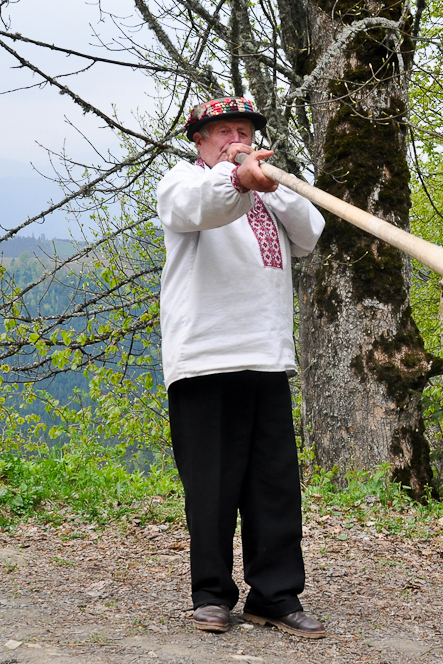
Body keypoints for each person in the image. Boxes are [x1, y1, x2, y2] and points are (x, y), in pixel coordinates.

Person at [156, 97, 327, 638]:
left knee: (273, 485)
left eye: (244, 131)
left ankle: (275, 595)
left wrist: (274, 183)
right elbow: (206, 205)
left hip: (266, 355)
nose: (237, 138)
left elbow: (311, 232)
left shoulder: (266, 190)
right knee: (211, 484)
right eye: (223, 131)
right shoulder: (183, 183)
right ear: (200, 141)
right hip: (206, 358)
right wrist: (240, 178)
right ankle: (211, 595)